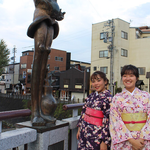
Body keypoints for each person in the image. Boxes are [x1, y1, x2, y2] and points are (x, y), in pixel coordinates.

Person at [27, 0, 65, 125]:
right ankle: (35, 112)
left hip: (51, 20)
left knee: (47, 51)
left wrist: (58, 14)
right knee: (40, 50)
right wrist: (52, 9)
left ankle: (42, 112)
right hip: (42, 17)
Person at [110, 64, 150, 150]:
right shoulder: (117, 98)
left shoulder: (146, 96)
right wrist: (132, 141)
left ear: (137, 78)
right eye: (125, 76)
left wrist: (141, 138)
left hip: (143, 140)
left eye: (131, 76)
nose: (128, 79)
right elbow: (115, 120)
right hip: (125, 141)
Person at [76, 71, 112, 150]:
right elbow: (83, 113)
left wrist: (104, 141)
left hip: (97, 135)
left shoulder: (108, 98)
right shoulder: (90, 96)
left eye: (99, 80)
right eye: (93, 81)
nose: (96, 84)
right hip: (84, 132)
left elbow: (108, 121)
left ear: (105, 81)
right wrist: (79, 129)